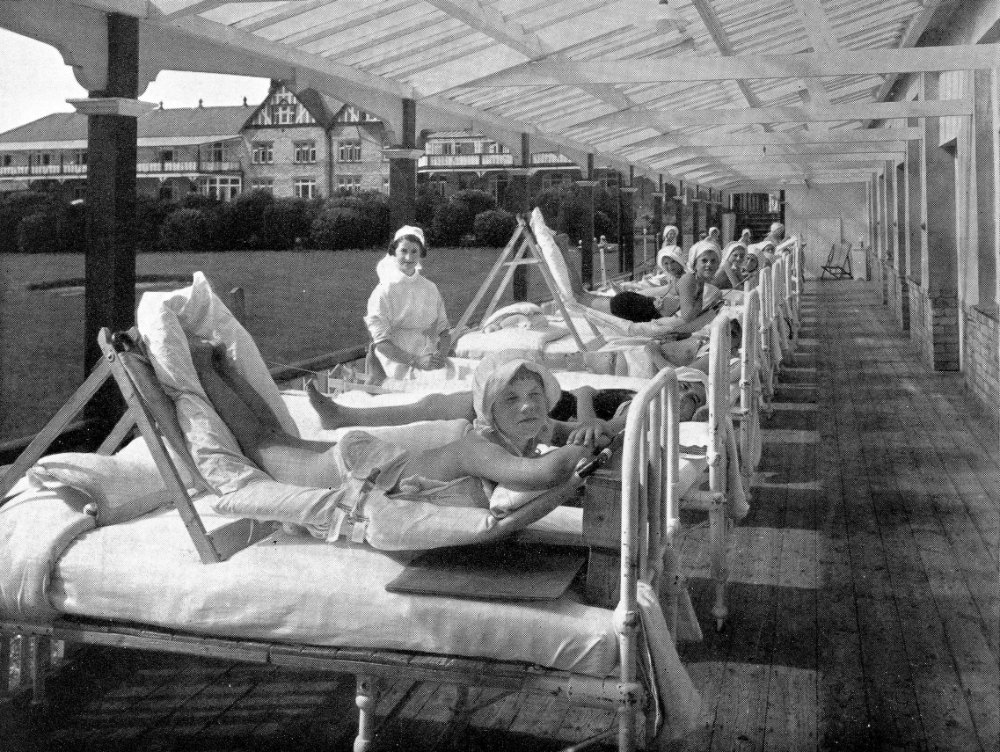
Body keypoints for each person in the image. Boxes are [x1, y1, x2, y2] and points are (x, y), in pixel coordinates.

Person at [190, 344, 605, 537]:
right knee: (263, 444)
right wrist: (583, 452)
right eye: (510, 399)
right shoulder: (484, 448)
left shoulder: (526, 433)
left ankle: (222, 369)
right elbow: (541, 471)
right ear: (487, 410)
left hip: (378, 460)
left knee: (277, 437)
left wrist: (586, 437)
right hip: (356, 470)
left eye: (536, 396)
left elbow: (554, 445)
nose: (528, 407)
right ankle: (206, 370)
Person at [365, 225, 453, 380]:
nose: (409, 257)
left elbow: (444, 330)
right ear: (394, 252)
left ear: (421, 254)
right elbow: (381, 342)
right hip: (393, 364)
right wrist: (416, 361)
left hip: (426, 357)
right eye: (403, 251)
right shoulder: (383, 291)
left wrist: (441, 356)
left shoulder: (430, 288)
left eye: (414, 251)